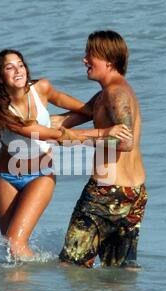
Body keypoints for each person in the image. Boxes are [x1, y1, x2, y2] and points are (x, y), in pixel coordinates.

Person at [0, 49, 132, 259]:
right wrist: (102, 132)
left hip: (40, 176)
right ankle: (21, 289)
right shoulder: (1, 112)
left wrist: (106, 109)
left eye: (20, 65)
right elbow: (52, 135)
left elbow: (86, 109)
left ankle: (37, 284)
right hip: (7, 178)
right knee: (10, 249)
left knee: (15, 244)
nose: (18, 70)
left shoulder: (41, 88)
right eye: (9, 67)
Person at [57, 31, 148, 270]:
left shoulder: (115, 94)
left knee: (71, 266)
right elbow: (61, 123)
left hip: (106, 194)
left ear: (109, 60)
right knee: (119, 272)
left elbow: (125, 143)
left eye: (90, 54)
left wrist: (79, 138)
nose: (84, 60)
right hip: (134, 194)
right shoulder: (106, 95)